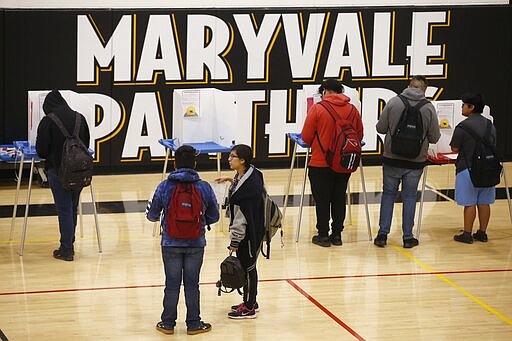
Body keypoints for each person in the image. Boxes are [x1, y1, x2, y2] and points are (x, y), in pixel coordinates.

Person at [146, 145, 220, 335]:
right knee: (192, 284)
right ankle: (194, 324)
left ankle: (168, 323)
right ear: (194, 164)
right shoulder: (203, 186)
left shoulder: (164, 185)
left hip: (170, 243)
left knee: (171, 283)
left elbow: (152, 214)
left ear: (174, 163)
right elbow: (214, 216)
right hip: (196, 243)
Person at [374, 76, 441, 248]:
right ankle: (407, 237)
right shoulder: (428, 108)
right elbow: (434, 137)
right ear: (424, 89)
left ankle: (382, 235)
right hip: (415, 161)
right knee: (410, 196)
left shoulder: (393, 102)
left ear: (408, 86)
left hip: (391, 158)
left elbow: (380, 128)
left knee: (388, 194)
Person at [300, 78, 364, 247]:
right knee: (339, 197)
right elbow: (359, 135)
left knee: (322, 200)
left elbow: (306, 137)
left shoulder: (317, 109)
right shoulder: (352, 110)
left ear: (325, 91)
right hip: (343, 163)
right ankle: (337, 235)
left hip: (320, 162)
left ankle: (323, 235)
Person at [35, 90, 90, 261]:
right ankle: (69, 242)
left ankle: (66, 249)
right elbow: (86, 144)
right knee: (72, 207)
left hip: (57, 171)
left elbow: (41, 151)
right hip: (79, 171)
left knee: (64, 209)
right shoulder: (80, 118)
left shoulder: (48, 120)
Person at [215, 144, 265, 319]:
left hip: (249, 234)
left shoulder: (246, 191)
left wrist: (235, 241)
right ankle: (250, 299)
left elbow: (240, 218)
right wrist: (231, 180)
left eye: (232, 157)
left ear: (242, 161)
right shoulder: (252, 173)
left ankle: (249, 307)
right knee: (248, 267)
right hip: (255, 229)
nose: (229, 159)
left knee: (249, 268)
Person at [450, 93, 496, 244]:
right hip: (488, 169)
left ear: (471, 107)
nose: (462, 108)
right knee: (484, 203)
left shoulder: (462, 126)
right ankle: (482, 233)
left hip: (467, 169)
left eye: (464, 105)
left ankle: (467, 234)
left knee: (470, 203)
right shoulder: (490, 125)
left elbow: (455, 148)